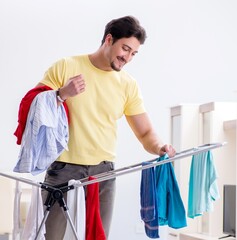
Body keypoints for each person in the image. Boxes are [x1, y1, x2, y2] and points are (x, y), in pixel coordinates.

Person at [36, 15, 176, 239]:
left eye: (134, 54)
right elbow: (33, 107)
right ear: (109, 39)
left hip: (103, 173)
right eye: (125, 49)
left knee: (98, 236)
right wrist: (61, 94)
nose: (128, 58)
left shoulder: (127, 84)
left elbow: (145, 132)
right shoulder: (66, 66)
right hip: (63, 168)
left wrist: (160, 147)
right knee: (52, 236)